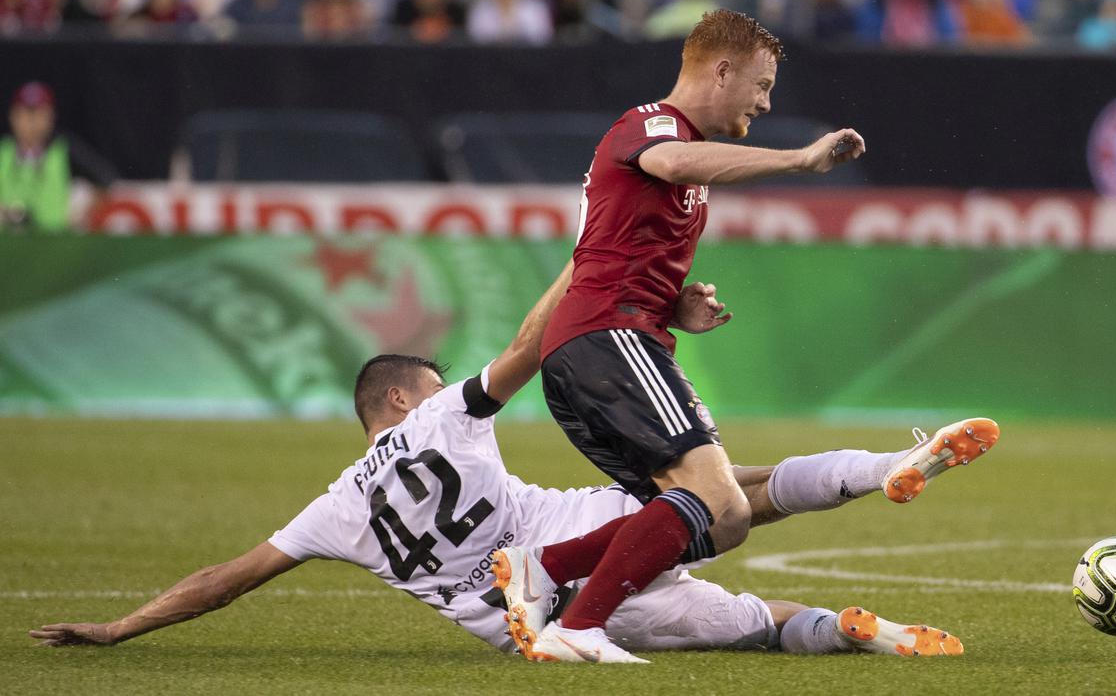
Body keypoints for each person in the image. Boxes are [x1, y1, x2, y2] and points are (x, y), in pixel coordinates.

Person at [27, 259, 995, 661]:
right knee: (720, 494)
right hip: (557, 538)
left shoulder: (334, 509)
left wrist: (121, 627)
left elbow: (227, 578)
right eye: (431, 379)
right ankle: (877, 469)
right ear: (400, 398)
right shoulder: (440, 417)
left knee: (753, 622)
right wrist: (594, 253)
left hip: (516, 622)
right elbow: (532, 342)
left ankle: (855, 629)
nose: (443, 385)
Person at [492, 8, 993, 664]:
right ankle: (574, 622)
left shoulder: (673, 152)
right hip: (608, 338)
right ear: (721, 71)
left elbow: (611, 248)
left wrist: (672, 304)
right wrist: (797, 158)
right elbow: (672, 162)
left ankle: (547, 569)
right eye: (761, 85)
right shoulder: (654, 125)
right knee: (715, 501)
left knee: (723, 510)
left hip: (604, 340)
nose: (765, 102)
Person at [0, 81, 116, 232]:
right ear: (13, 116)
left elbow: (106, 180)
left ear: (51, 117)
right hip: (8, 239)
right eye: (27, 114)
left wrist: (83, 214)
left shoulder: (64, 150)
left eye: (40, 114)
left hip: (53, 239)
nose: (33, 122)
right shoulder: (4, 151)